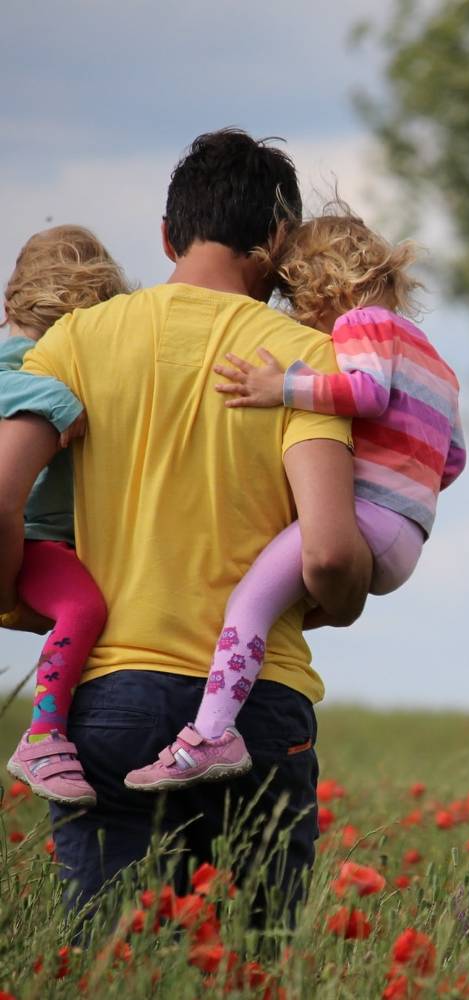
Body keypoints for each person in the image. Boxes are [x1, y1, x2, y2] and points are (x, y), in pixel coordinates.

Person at [0, 128, 372, 913]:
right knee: (248, 966)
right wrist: (340, 602)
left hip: (109, 702)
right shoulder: (303, 360)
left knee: (114, 966)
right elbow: (333, 552)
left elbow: (3, 495)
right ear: (277, 243)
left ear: (168, 236)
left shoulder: (74, 339)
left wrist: (18, 598)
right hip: (256, 708)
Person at [124, 207, 466, 791]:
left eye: (296, 297)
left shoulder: (363, 325)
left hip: (365, 518)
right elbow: (452, 460)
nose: (298, 315)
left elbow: (365, 392)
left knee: (248, 604)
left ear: (324, 285)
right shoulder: (437, 361)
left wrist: (279, 387)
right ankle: (228, 709)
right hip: (408, 534)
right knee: (277, 607)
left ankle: (211, 735)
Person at [1, 226, 129, 806]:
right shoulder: (22, 365)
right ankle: (43, 734)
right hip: (31, 538)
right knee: (83, 607)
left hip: (59, 537)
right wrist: (57, 400)